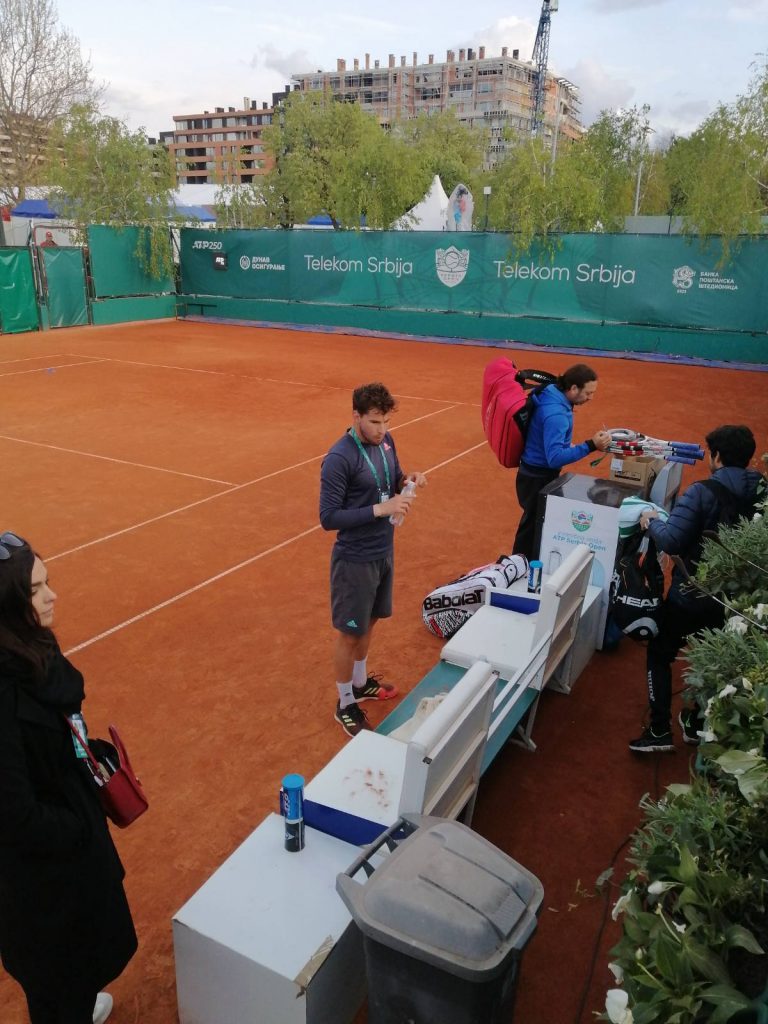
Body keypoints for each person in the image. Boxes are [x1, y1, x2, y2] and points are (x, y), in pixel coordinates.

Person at [0, 532, 137, 1023]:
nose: (52, 595)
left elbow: (60, 725)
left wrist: (85, 755)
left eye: (47, 582)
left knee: (75, 969)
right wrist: (77, 827)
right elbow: (14, 813)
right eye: (36, 589)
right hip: (42, 875)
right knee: (56, 978)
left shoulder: (33, 649)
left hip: (72, 850)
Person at [629, 425, 762, 753]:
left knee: (660, 653)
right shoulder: (762, 491)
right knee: (716, 661)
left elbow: (672, 541)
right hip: (736, 602)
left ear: (716, 456)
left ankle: (659, 729)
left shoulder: (701, 492)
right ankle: (698, 722)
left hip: (691, 595)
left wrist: (651, 521)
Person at [320, 384, 427, 737]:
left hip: (383, 551)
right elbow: (328, 517)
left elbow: (392, 478)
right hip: (355, 560)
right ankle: (344, 703)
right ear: (356, 416)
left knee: (371, 621)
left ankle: (361, 682)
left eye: (386, 422)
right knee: (350, 634)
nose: (382, 429)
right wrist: (381, 509)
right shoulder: (339, 458)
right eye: (375, 422)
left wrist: (408, 480)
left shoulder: (386, 442)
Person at [513, 364, 611, 559]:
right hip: (538, 478)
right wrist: (591, 445)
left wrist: (570, 445)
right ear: (573, 388)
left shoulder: (552, 391)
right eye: (588, 393)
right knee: (532, 531)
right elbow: (555, 458)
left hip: (531, 473)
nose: (591, 397)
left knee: (535, 526)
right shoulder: (557, 414)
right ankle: (518, 566)